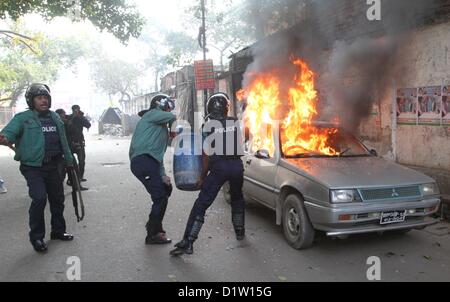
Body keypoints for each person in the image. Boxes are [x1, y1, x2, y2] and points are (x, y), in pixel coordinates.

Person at [0, 83, 74, 252]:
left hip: (55, 164)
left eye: (46, 97)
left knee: (57, 199)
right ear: (31, 100)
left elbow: (63, 141)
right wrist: (4, 138)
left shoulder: (55, 117)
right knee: (39, 198)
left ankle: (58, 231)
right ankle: (37, 237)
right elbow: (8, 134)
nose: (44, 101)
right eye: (39, 98)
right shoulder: (22, 118)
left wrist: (69, 161)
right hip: (33, 167)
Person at [170, 93, 246, 256]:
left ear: (209, 108)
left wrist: (202, 176)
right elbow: (239, 145)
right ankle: (240, 231)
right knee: (237, 198)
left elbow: (205, 155)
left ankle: (188, 241)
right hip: (237, 167)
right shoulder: (235, 122)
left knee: (202, 204)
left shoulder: (207, 126)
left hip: (219, 167)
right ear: (226, 108)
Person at [129, 94, 176, 245]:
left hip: (151, 162)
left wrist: (163, 175)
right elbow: (171, 116)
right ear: (160, 105)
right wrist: (175, 126)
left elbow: (158, 156)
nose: (169, 110)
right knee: (160, 196)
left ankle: (155, 227)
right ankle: (152, 233)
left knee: (165, 189)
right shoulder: (151, 115)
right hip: (143, 161)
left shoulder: (159, 129)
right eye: (168, 106)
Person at [55, 109, 88, 191]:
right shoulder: (55, 123)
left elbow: (77, 129)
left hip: (69, 148)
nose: (63, 116)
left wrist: (72, 121)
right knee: (60, 172)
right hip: (59, 151)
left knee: (75, 167)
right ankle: (58, 188)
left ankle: (75, 184)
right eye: (62, 115)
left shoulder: (69, 120)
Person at [67, 105, 91, 182]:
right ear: (72, 110)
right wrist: (73, 117)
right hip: (70, 142)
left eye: (77, 110)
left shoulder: (81, 118)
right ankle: (71, 178)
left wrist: (82, 117)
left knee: (82, 161)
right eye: (75, 110)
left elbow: (88, 125)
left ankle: (80, 177)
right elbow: (67, 126)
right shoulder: (69, 117)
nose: (76, 111)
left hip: (79, 141)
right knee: (70, 163)